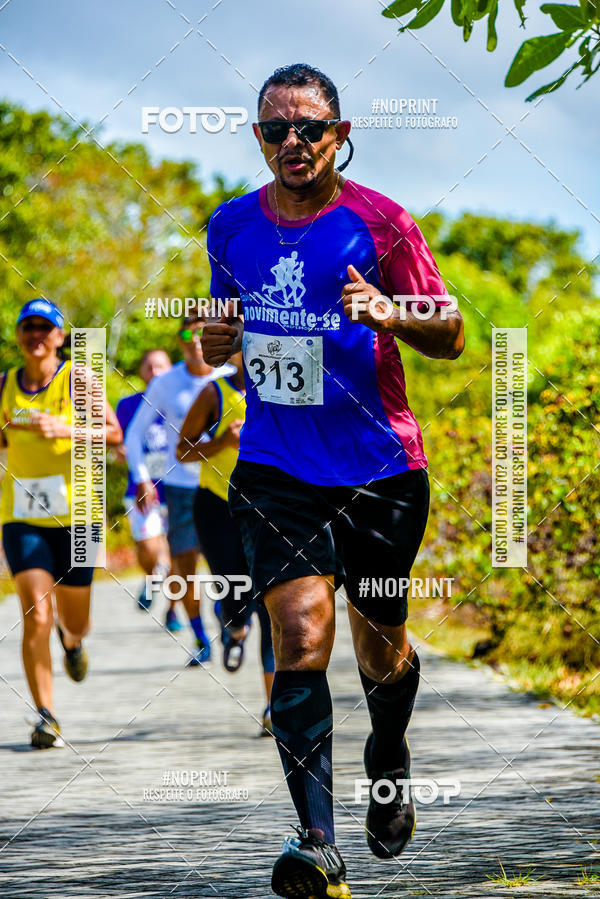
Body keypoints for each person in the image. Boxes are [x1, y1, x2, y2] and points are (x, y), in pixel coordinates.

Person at [201, 64, 464, 898]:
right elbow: (229, 333)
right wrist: (217, 346)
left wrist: (396, 313)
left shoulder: (382, 224)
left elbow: (451, 329)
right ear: (258, 138)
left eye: (308, 127)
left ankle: (387, 749)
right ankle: (317, 842)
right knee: (299, 636)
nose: (292, 143)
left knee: (379, 648)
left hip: (380, 470)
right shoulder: (231, 226)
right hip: (276, 467)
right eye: (275, 129)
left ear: (340, 135)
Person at [0, 299, 122, 748]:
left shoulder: (77, 379)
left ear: (57, 336)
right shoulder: (4, 386)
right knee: (36, 613)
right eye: (27, 327)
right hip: (21, 518)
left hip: (80, 517)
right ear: (18, 335)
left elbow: (114, 434)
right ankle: (45, 715)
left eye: (44, 328)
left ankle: (71, 643)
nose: (35, 335)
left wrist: (66, 429)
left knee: (75, 620)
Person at [124, 315, 234, 665]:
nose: (197, 338)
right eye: (189, 332)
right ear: (180, 339)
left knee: (229, 565)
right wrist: (142, 477)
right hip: (182, 487)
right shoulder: (165, 383)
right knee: (183, 569)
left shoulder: (231, 377)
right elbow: (133, 434)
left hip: (230, 486)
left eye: (204, 330)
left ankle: (231, 616)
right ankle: (200, 637)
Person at [176, 352, 275, 735]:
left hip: (271, 507)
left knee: (272, 608)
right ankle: (234, 629)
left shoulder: (285, 385)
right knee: (236, 593)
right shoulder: (213, 392)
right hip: (218, 506)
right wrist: (221, 442)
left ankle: (273, 708)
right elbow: (181, 449)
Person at [115, 349, 182, 631]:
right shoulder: (128, 406)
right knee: (147, 548)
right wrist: (122, 451)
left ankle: (174, 609)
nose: (155, 372)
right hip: (142, 489)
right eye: (149, 366)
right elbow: (118, 440)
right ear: (141, 371)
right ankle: (151, 577)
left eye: (161, 366)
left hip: (177, 487)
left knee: (176, 551)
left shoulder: (183, 402)